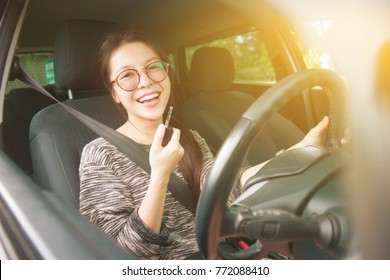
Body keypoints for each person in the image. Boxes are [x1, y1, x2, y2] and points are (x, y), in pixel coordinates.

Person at [78, 30, 330, 260]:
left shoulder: (189, 137)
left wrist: (297, 153)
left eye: (152, 67)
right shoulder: (100, 154)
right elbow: (117, 254)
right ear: (114, 93)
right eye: (127, 75)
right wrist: (160, 177)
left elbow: (225, 188)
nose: (145, 82)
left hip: (224, 251)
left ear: (167, 73)